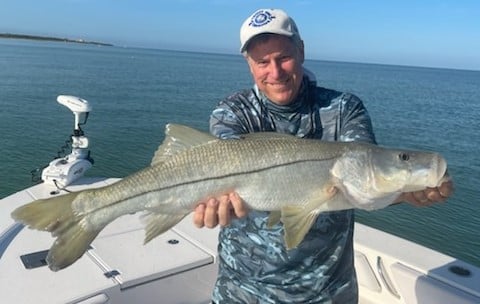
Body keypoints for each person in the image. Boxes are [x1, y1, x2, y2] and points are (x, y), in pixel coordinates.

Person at [193, 8, 454, 303]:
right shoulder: (232, 111)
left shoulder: (344, 109)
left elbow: (363, 180)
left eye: (284, 57)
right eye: (263, 62)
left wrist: (406, 191)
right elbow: (219, 160)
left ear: (301, 51)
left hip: (329, 294)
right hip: (241, 292)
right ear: (249, 64)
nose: (275, 72)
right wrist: (214, 202)